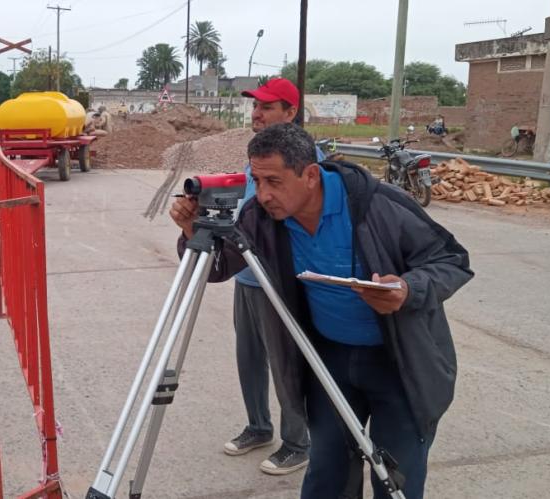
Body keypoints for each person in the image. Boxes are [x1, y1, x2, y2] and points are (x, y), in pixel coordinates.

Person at [170, 123, 472, 499]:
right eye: (257, 180)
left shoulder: (380, 206)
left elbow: (452, 261)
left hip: (399, 361)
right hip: (328, 360)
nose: (262, 194)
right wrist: (190, 232)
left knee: (396, 474)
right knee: (327, 470)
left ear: (310, 175)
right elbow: (217, 267)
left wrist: (407, 289)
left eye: (274, 181)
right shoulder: (262, 216)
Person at [219, 77, 324, 476]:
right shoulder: (256, 159)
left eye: (266, 107)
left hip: (278, 278)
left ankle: (298, 443)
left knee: (285, 363)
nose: (257, 114)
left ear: (290, 112)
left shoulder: (301, 161)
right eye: (255, 106)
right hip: (245, 275)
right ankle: (258, 426)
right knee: (249, 357)